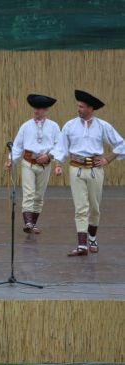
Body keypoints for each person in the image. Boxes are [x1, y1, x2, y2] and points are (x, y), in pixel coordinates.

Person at [51, 90, 125, 256]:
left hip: (95, 171)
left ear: (91, 108)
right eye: (78, 106)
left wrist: (108, 159)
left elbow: (121, 144)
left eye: (82, 107)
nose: (79, 109)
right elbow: (61, 147)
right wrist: (58, 164)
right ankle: (82, 246)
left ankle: (92, 238)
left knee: (95, 208)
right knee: (80, 208)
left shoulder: (103, 126)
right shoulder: (70, 125)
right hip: (76, 169)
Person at [4, 94, 59, 233]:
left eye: (40, 108)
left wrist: (49, 156)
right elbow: (17, 146)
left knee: (39, 196)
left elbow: (59, 145)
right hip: (28, 163)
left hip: (45, 165)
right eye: (35, 108)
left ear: (46, 110)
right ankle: (28, 223)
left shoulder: (53, 126)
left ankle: (33, 224)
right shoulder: (26, 126)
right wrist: (11, 160)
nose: (36, 111)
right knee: (29, 193)